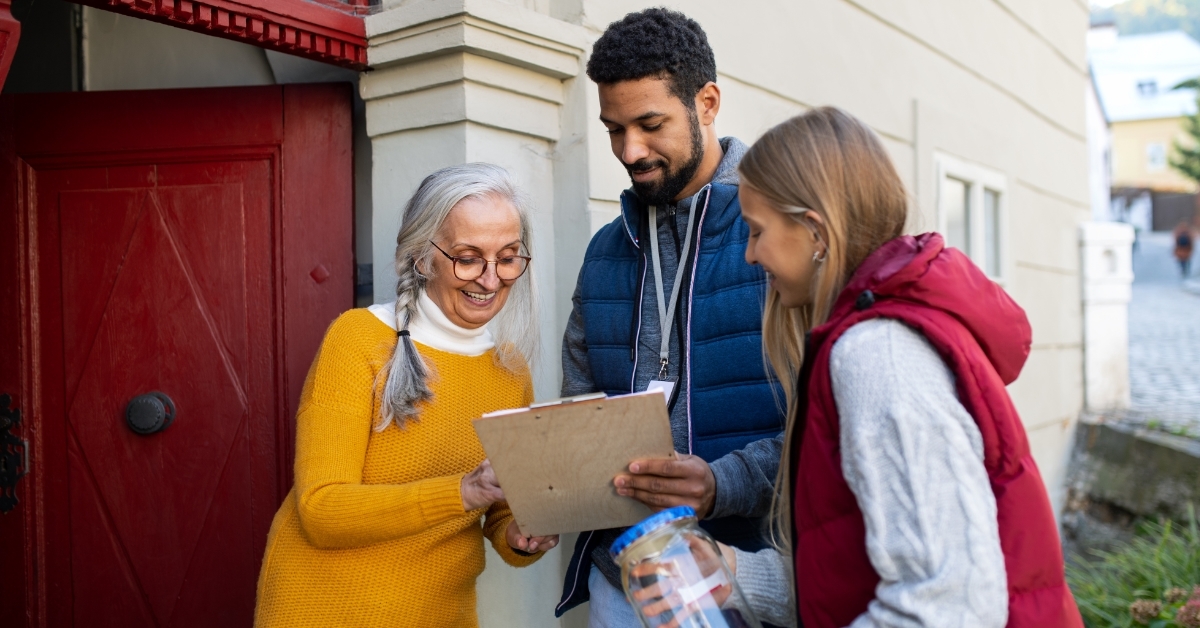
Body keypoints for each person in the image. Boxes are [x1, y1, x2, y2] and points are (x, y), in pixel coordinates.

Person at [713, 108, 1083, 627]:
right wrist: (733, 574)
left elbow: (949, 604)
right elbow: (854, 576)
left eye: (756, 231)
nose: (750, 255)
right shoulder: (875, 337)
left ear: (815, 231)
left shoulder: (877, 356)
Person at [555, 8, 785, 626]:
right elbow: (579, 408)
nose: (630, 150)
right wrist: (548, 494)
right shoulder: (605, 251)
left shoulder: (781, 235)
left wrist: (721, 483)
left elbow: (827, 428)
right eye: (613, 129)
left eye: (650, 124)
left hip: (751, 575)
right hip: (624, 579)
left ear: (706, 103)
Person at [254, 163, 558, 628]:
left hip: (441, 615)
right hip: (324, 610)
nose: (492, 280)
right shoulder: (356, 339)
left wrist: (520, 536)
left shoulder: (509, 368)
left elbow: (497, 515)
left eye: (509, 256)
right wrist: (462, 491)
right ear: (422, 257)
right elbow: (321, 511)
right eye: (468, 257)